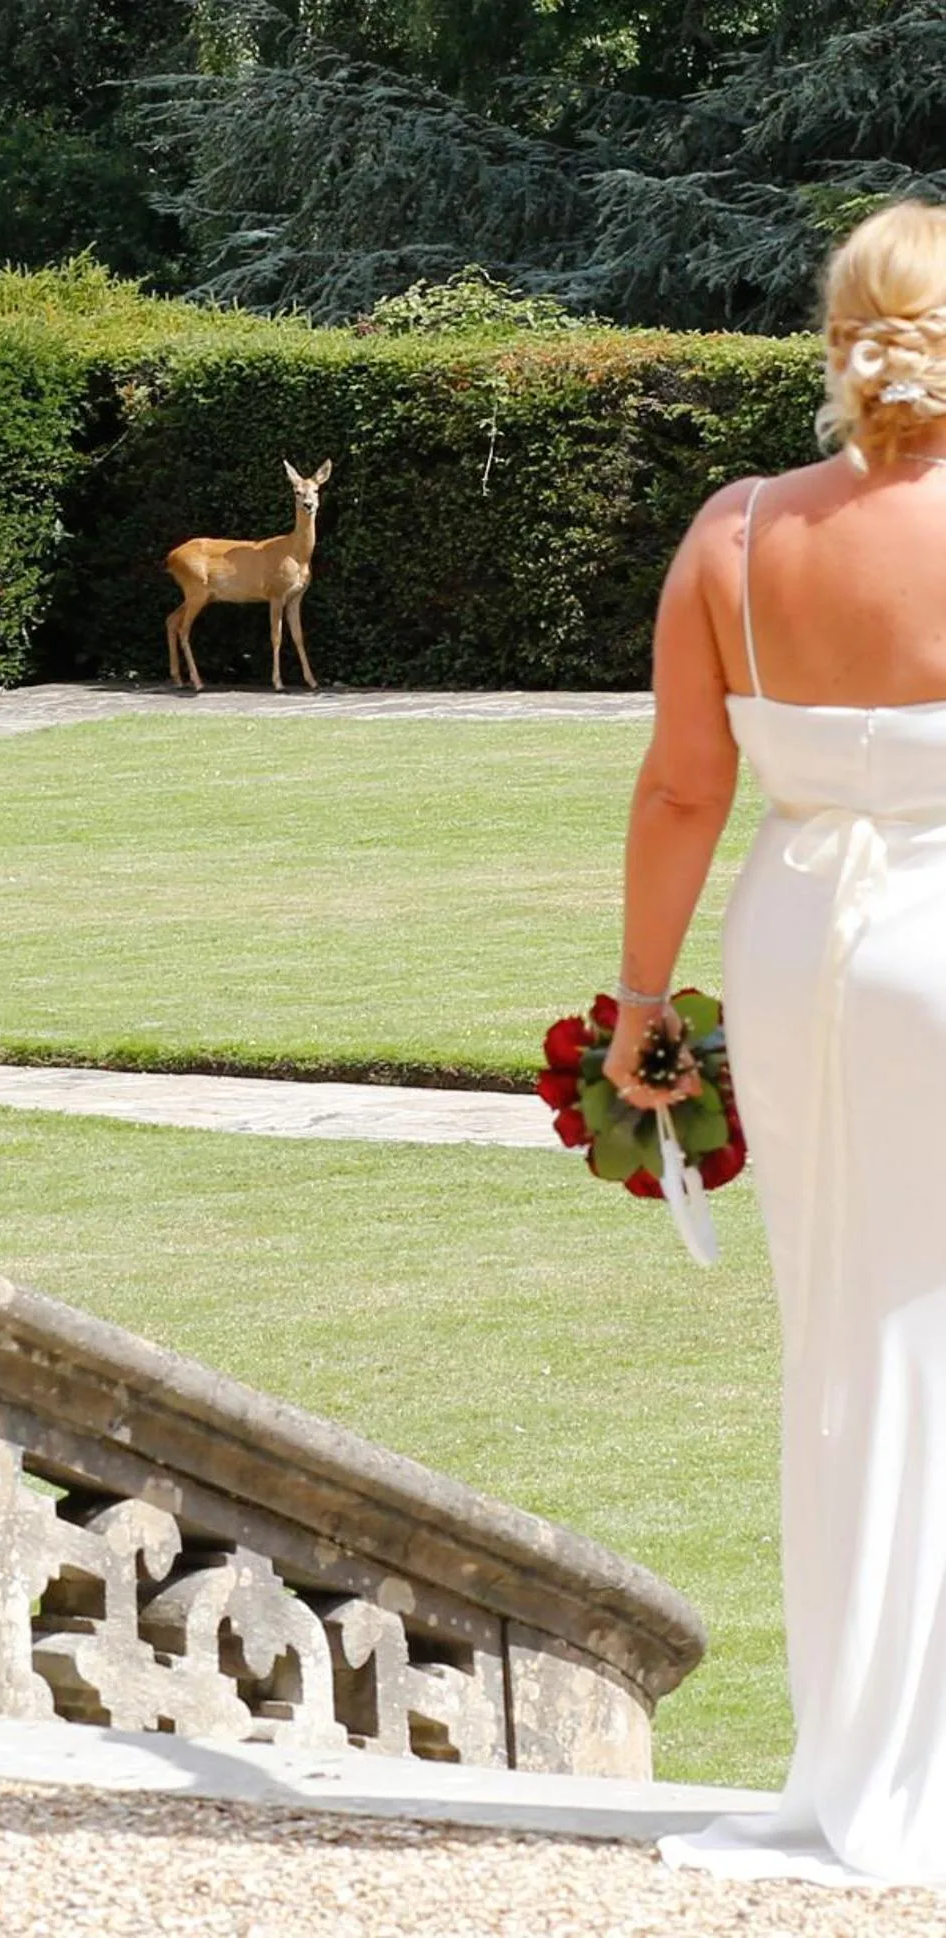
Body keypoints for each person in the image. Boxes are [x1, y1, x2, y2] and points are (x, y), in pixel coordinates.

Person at [608, 199, 946, 1887]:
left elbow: (684, 786)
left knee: (844, 1345)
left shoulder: (737, 536)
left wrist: (643, 1005)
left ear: (838, 337)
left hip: (810, 943)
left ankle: (856, 1767)